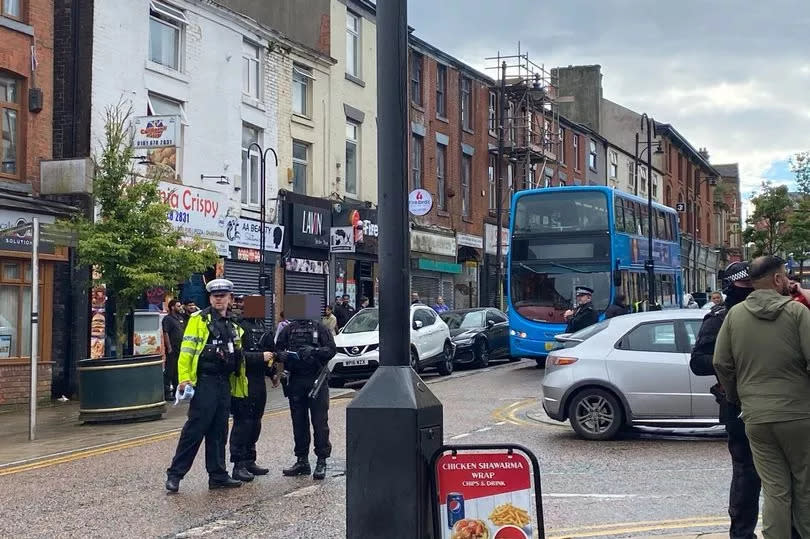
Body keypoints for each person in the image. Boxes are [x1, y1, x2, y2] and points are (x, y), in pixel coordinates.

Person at [714, 256, 810, 538]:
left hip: (756, 416)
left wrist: (736, 396)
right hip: (798, 413)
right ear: (778, 279)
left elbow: (721, 363)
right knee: (804, 485)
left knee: (774, 489)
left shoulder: (734, 315)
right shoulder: (797, 313)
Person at [690, 261, 763, 539]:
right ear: (731, 287)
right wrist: (734, 363)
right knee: (746, 474)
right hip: (737, 407)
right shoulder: (720, 318)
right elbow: (698, 362)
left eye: (752, 284)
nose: (749, 290)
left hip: (772, 405)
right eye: (744, 285)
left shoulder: (771, 311)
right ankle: (742, 534)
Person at [165, 279, 248, 493]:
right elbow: (187, 351)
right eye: (215, 296)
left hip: (224, 382)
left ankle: (218, 475)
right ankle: (175, 474)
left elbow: (238, 356)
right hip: (204, 381)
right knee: (195, 429)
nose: (219, 299)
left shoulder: (233, 323)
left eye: (223, 296)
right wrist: (184, 379)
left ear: (230, 298)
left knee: (219, 431)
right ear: (210, 298)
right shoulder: (198, 320)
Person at [275, 294, 336, 481]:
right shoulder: (288, 330)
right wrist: (283, 356)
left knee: (319, 422)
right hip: (296, 381)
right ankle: (302, 460)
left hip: (316, 381)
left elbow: (332, 350)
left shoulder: (321, 329)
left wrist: (315, 352)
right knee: (298, 423)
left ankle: (321, 460)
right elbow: (277, 349)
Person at [228, 295, 277, 483]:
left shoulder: (262, 326)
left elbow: (270, 352)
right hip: (243, 379)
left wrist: (272, 372)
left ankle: (250, 459)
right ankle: (238, 464)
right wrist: (260, 357)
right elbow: (236, 355)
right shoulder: (237, 327)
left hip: (258, 380)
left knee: (256, 421)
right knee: (243, 422)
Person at [162, 299, 187, 401]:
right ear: (172, 307)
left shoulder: (180, 318)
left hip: (180, 349)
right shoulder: (168, 319)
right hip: (172, 349)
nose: (180, 308)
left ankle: (177, 391)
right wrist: (169, 347)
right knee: (170, 371)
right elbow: (166, 333)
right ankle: (167, 392)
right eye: (178, 306)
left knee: (177, 371)